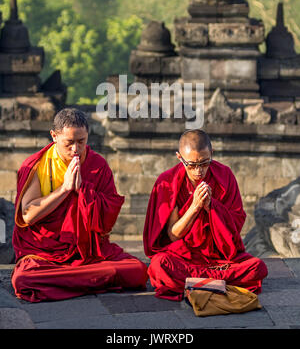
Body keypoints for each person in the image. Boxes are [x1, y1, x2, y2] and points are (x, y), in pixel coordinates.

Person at [12, 108, 148, 302]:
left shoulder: (98, 165)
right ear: (54, 136)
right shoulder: (38, 165)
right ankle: (88, 281)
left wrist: (85, 192)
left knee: (137, 271)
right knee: (23, 279)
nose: (75, 149)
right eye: (69, 143)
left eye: (81, 141)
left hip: (88, 252)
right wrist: (65, 189)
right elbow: (27, 216)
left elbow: (106, 223)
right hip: (46, 253)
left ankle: (67, 282)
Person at [143, 129, 268, 301]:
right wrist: (195, 207)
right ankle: (217, 284)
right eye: (192, 165)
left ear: (212, 154)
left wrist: (212, 207)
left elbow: (234, 227)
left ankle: (194, 284)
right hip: (185, 257)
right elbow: (173, 235)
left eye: (204, 163)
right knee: (159, 265)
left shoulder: (225, 176)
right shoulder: (169, 182)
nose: (198, 171)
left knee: (257, 267)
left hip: (218, 259)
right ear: (180, 158)